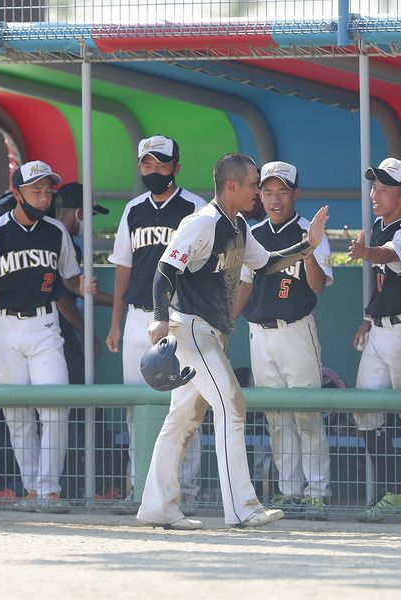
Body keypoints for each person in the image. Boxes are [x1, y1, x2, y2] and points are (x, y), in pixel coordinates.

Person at [136, 152, 329, 530]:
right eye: (255, 184)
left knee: (181, 420)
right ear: (232, 185)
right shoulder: (203, 222)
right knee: (233, 407)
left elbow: (268, 263)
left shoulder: (238, 225)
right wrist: (160, 318)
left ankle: (158, 506)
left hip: (210, 332)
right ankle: (242, 507)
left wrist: (308, 245)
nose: (259, 192)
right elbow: (164, 270)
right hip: (191, 329)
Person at [0, 161, 95, 513]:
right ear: (17, 192)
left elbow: (69, 280)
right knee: (17, 413)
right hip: (3, 326)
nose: (43, 196)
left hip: (44, 324)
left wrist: (82, 286)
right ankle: (32, 488)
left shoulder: (56, 232)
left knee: (55, 404)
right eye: (36, 190)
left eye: (47, 190)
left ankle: (49, 489)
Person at [105, 135, 206, 510]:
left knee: (183, 407)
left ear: (176, 167)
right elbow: (123, 267)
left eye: (161, 164)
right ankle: (139, 489)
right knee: (136, 410)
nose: (154, 170)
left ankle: (188, 492)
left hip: (179, 316)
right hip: (137, 317)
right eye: (147, 164)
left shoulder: (196, 208)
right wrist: (115, 322)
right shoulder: (133, 209)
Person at [232, 160, 333, 521]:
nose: (275, 200)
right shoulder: (253, 231)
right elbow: (244, 283)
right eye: (268, 192)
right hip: (259, 332)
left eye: (282, 192)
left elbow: (318, 286)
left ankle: (317, 492)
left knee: (306, 415)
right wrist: (227, 323)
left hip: (296, 329)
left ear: (295, 194)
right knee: (277, 418)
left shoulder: (311, 229)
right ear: (259, 193)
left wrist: (308, 247)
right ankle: (289, 492)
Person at [346, 157, 401, 523]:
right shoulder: (381, 227)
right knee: (365, 411)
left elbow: (394, 257)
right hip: (381, 330)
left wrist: (367, 253)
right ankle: (393, 492)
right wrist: (367, 319)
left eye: (385, 189)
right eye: (374, 187)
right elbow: (381, 282)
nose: (375, 194)